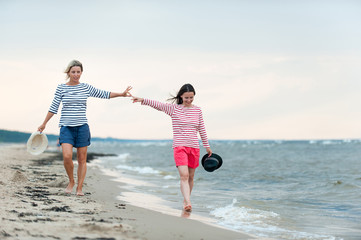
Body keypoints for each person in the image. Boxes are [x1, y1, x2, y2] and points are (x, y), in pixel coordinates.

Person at [38, 60, 132, 196]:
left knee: (82, 160)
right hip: (66, 127)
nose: (76, 75)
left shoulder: (86, 87)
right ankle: (71, 181)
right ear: (68, 72)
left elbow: (104, 94)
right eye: (73, 72)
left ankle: (79, 188)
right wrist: (44, 123)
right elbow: (54, 107)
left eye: (78, 72)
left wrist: (121, 94)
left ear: (81, 72)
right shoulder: (61, 88)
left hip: (82, 127)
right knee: (67, 156)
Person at [132, 83, 212, 212]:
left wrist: (207, 146)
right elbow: (159, 105)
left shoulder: (197, 110)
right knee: (184, 176)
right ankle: (187, 202)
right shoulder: (174, 109)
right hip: (180, 147)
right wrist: (143, 100)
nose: (189, 100)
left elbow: (201, 128)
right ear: (181, 96)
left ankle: (186, 200)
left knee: (191, 177)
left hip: (194, 147)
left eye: (191, 97)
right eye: (186, 98)